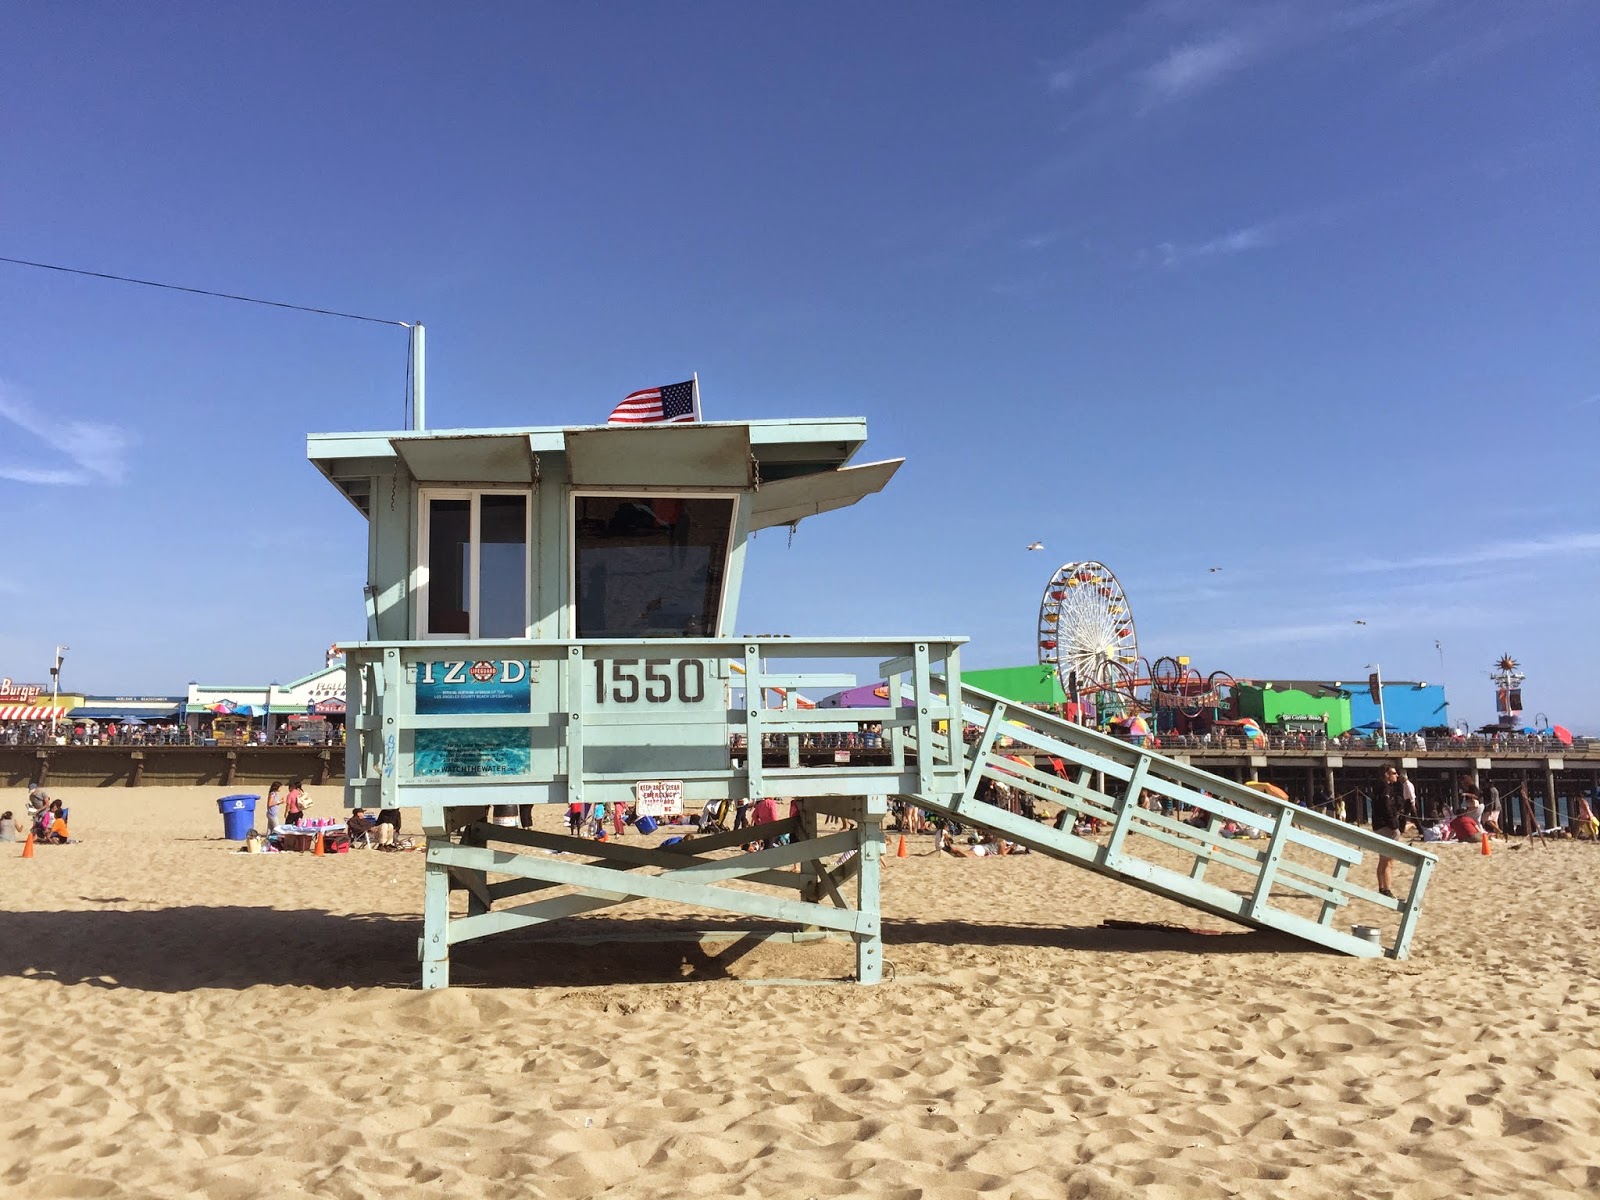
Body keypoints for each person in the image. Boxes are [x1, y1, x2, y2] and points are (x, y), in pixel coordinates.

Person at [1372, 763, 1415, 899]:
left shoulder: (1379, 787)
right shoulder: (1386, 788)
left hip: (1378, 825)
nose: (1397, 775)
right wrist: (1395, 825)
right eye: (1394, 773)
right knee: (1389, 860)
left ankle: (1382, 887)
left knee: (1383, 859)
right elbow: (1386, 808)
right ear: (1386, 774)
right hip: (1386, 827)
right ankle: (1386, 889)